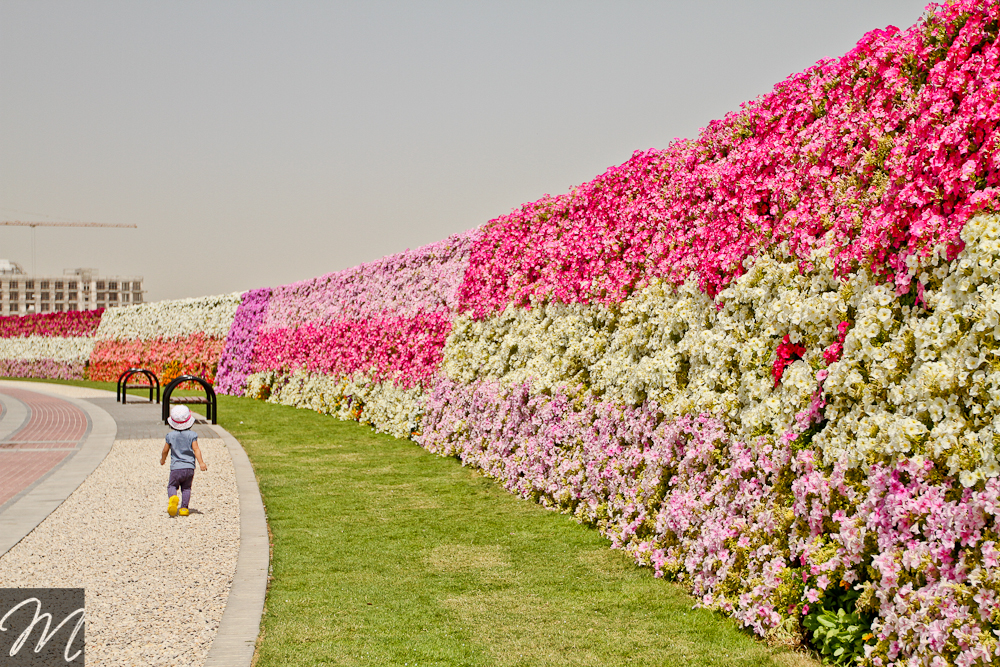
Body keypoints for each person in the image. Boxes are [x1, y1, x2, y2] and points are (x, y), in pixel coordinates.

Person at [160, 404, 207, 517]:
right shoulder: (192, 435)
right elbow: (196, 449)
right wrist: (201, 462)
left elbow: (165, 450)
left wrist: (163, 459)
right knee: (186, 488)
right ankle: (184, 509)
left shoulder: (170, 436)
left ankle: (173, 498)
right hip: (189, 468)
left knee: (172, 486)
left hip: (176, 468)